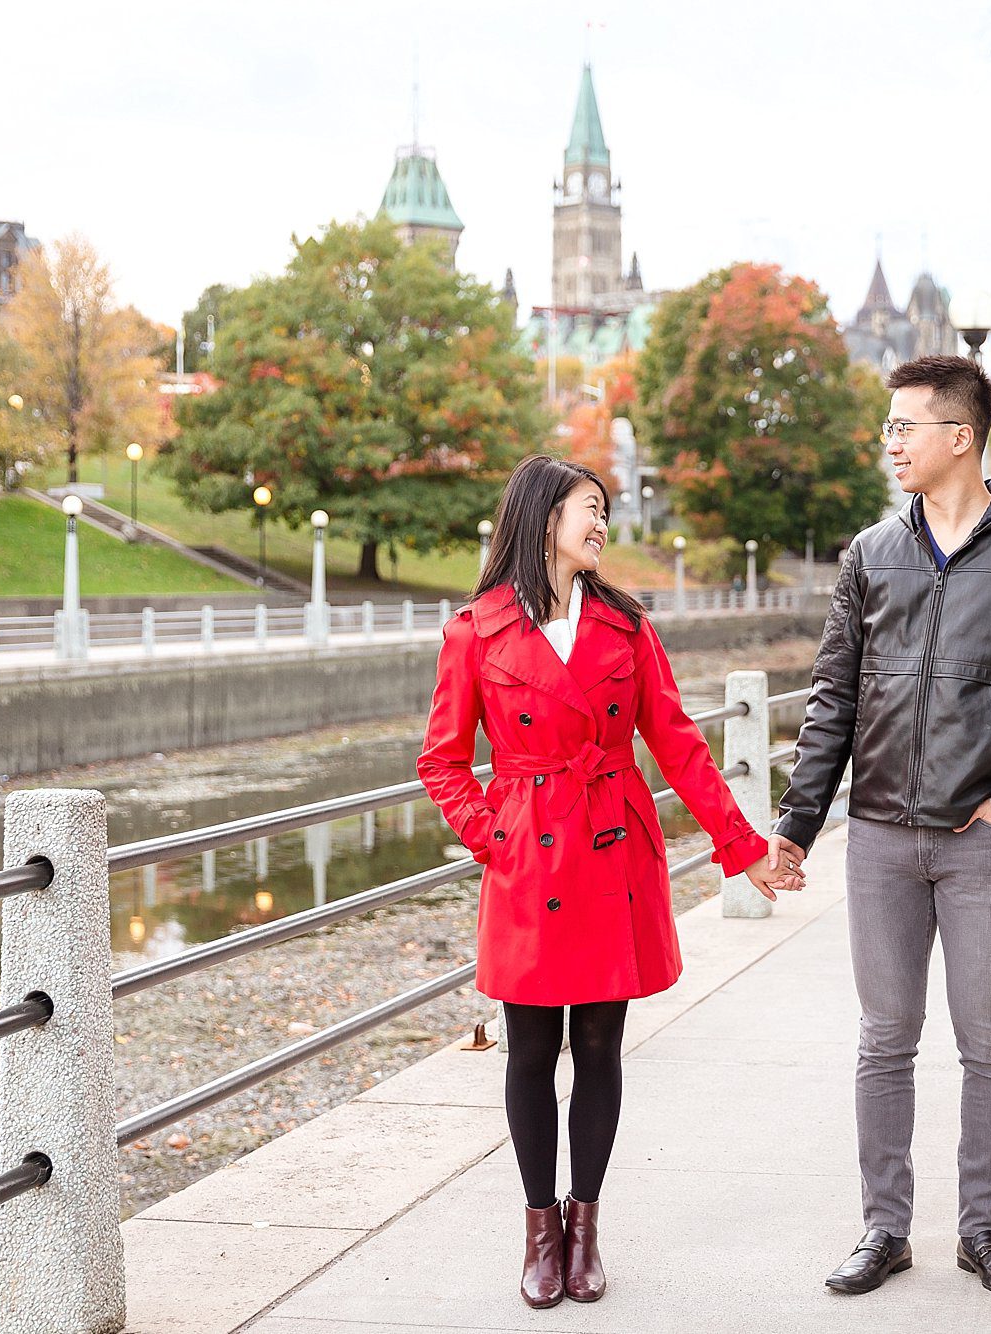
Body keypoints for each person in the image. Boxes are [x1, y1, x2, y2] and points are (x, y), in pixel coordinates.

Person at [418, 455, 797, 1310]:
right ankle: (538, 1227)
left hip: (608, 846)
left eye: (603, 512)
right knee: (527, 1051)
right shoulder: (475, 630)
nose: (601, 526)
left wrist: (745, 849)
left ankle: (585, 1228)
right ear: (542, 517)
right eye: (590, 509)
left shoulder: (627, 628)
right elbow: (442, 761)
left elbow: (681, 747)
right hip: (527, 859)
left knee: (597, 1047)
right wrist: (495, 836)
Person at [770, 355, 991, 1298]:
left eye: (905, 427)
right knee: (885, 1038)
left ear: (958, 436)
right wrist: (798, 824)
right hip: (879, 836)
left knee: (987, 1040)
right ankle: (884, 1229)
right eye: (889, 428)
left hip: (982, 842)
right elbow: (834, 697)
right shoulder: (870, 553)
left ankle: (982, 1231)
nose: (890, 442)